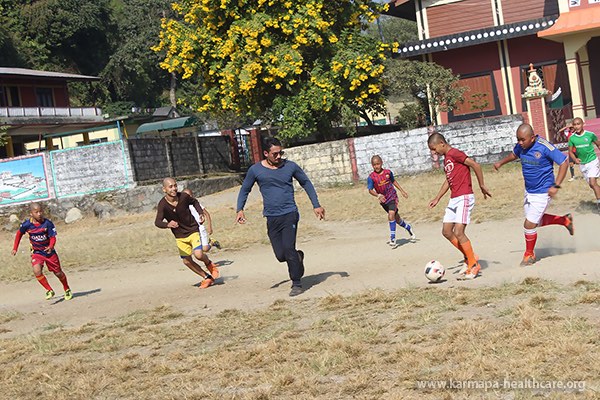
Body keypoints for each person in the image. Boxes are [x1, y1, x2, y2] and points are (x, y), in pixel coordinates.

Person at [235, 137, 325, 297]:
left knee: (289, 248)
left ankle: (296, 283)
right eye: (275, 154)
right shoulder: (256, 170)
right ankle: (298, 257)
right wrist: (240, 209)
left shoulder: (290, 166)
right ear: (265, 153)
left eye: (280, 153)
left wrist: (316, 204)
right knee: (281, 255)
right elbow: (245, 189)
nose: (279, 156)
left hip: (290, 213)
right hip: (271, 216)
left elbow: (306, 182)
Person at [494, 123, 574, 266]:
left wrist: (556, 185)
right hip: (529, 191)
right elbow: (514, 154)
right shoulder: (521, 146)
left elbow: (564, 163)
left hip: (543, 191)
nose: (519, 142)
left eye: (522, 139)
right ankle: (564, 221)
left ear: (532, 137)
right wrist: (501, 162)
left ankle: (529, 255)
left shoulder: (544, 146)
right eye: (518, 139)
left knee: (529, 224)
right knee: (536, 221)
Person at [428, 133, 492, 280]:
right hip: (454, 199)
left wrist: (481, 185)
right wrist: (437, 198)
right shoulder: (447, 159)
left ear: (442, 143)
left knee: (458, 231)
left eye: (434, 148)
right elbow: (448, 180)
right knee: (446, 231)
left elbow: (475, 165)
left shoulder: (455, 153)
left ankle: (473, 265)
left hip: (465, 197)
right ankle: (470, 257)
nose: (433, 152)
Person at [155, 178, 220, 289]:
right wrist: (167, 224)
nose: (174, 188)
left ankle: (209, 264)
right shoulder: (162, 204)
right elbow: (157, 222)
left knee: (199, 254)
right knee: (186, 261)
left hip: (192, 230)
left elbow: (194, 201)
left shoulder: (183, 197)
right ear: (164, 189)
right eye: (170, 187)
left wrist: (200, 213)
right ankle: (207, 277)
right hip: (180, 236)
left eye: (175, 185)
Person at [11, 202, 72, 301]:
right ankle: (49, 290)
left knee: (58, 273)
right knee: (36, 271)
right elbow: (19, 234)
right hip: (37, 253)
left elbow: (53, 237)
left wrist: (51, 246)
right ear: (31, 213)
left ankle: (66, 288)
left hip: (49, 253)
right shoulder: (27, 225)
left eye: (40, 211)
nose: (39, 214)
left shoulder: (47, 223)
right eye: (36, 212)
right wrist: (15, 248)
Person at [367, 155, 415, 247]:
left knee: (391, 215)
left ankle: (393, 238)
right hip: (383, 200)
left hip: (392, 197)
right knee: (396, 219)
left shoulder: (388, 172)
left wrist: (402, 191)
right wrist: (378, 195)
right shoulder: (371, 177)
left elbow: (393, 181)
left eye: (378, 164)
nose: (376, 166)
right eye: (374, 165)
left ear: (381, 163)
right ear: (372, 165)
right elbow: (370, 190)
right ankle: (408, 227)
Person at [567, 117, 600, 211]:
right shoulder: (572, 138)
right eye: (575, 124)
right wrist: (575, 159)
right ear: (573, 126)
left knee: (593, 182)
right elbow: (570, 152)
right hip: (583, 164)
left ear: (583, 124)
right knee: (591, 184)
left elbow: (598, 144)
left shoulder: (590, 135)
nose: (577, 126)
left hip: (592, 161)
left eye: (578, 124)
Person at [182, 188, 221, 252]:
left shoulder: (196, 204)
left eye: (189, 195)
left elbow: (207, 214)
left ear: (192, 195)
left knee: (205, 249)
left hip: (200, 228)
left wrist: (209, 226)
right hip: (192, 230)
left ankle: (211, 242)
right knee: (196, 249)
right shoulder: (182, 207)